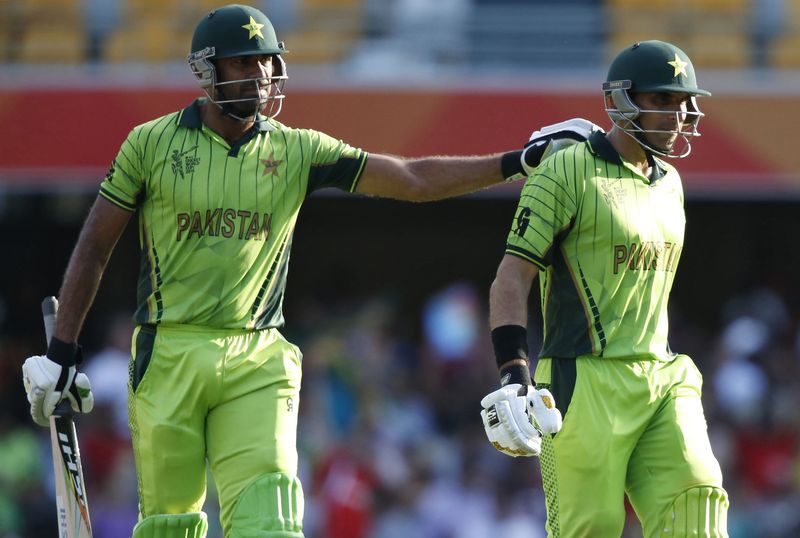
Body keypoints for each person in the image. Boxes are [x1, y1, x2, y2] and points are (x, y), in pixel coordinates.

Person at [20, 4, 599, 537]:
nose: (261, 77)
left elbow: (412, 178)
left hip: (259, 356)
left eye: (268, 64)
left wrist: (516, 162)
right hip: (167, 352)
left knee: (271, 517)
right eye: (244, 64)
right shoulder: (148, 145)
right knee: (170, 524)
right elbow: (95, 246)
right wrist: (63, 354)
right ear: (206, 70)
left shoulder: (297, 150)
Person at [479, 40, 729, 537]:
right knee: (590, 526)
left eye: (682, 103)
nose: (676, 115)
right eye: (660, 100)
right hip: (580, 380)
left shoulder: (671, 182)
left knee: (697, 500)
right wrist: (513, 371)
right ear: (618, 101)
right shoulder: (566, 169)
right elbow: (513, 273)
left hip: (660, 373)